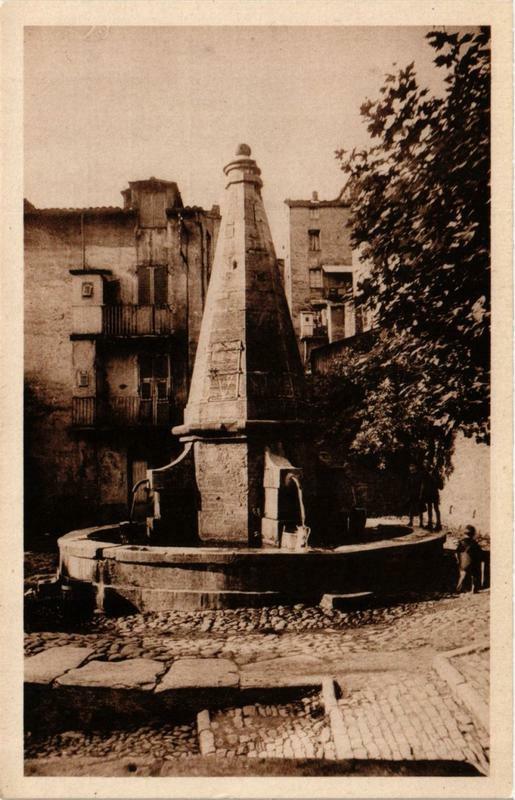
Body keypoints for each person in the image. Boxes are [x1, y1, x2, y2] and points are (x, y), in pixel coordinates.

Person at [456, 525, 483, 593]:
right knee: (475, 574)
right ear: (473, 534)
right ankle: (474, 589)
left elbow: (457, 552)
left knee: (462, 575)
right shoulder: (474, 543)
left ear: (465, 533)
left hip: (463, 564)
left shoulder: (461, 543)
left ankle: (458, 589)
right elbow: (479, 553)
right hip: (471, 564)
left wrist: (458, 560)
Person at [419, 460, 442, 531]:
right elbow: (423, 483)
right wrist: (421, 494)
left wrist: (432, 476)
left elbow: (438, 482)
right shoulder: (424, 472)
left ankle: (438, 524)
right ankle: (430, 523)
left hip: (434, 493)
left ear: (429, 464)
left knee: (436, 508)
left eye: (426, 463)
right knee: (429, 508)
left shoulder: (434, 471)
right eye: (424, 463)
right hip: (428, 493)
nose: (425, 464)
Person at [407, 463, 423, 528]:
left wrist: (420, 494)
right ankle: (411, 522)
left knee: (420, 509)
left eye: (412, 467)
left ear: (415, 467)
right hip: (412, 494)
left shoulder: (419, 475)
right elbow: (408, 486)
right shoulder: (410, 476)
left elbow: (422, 485)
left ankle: (421, 523)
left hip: (418, 493)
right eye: (410, 467)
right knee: (411, 508)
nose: (411, 469)